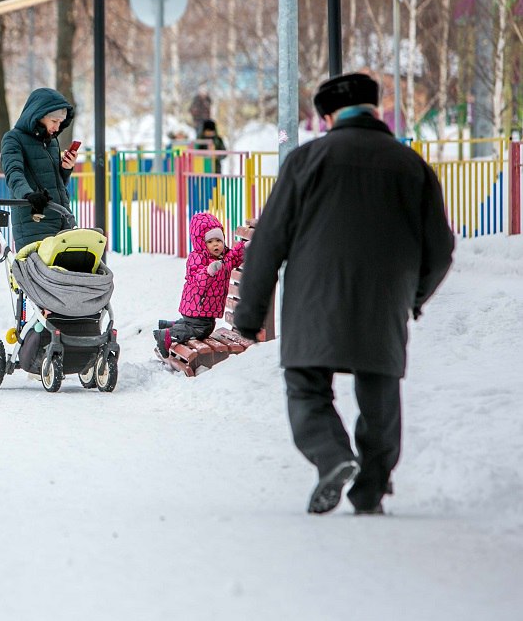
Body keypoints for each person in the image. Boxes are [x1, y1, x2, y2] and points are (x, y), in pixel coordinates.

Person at [233, 72, 454, 516]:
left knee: (306, 387)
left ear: (329, 116)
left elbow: (269, 240)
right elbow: (442, 248)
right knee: (379, 395)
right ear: (374, 110)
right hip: (384, 300)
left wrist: (249, 314)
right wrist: (413, 297)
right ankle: (370, 490)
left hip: (314, 300)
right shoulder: (412, 166)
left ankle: (332, 456)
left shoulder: (306, 160)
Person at [153, 212, 246, 355]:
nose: (215, 244)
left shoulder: (224, 258)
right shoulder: (197, 258)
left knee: (202, 326)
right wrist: (209, 272)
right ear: (201, 243)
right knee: (202, 330)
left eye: (218, 240)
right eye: (210, 241)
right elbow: (197, 280)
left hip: (201, 309)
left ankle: (171, 325)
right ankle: (166, 335)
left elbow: (234, 257)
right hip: (198, 306)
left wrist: (245, 248)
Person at [0, 88, 77, 250]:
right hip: (34, 222)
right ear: (39, 116)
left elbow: (56, 183)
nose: (57, 127)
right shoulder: (13, 139)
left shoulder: (51, 143)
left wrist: (65, 169)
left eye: (60, 122)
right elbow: (13, 173)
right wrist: (28, 195)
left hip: (62, 218)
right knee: (42, 273)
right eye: (54, 121)